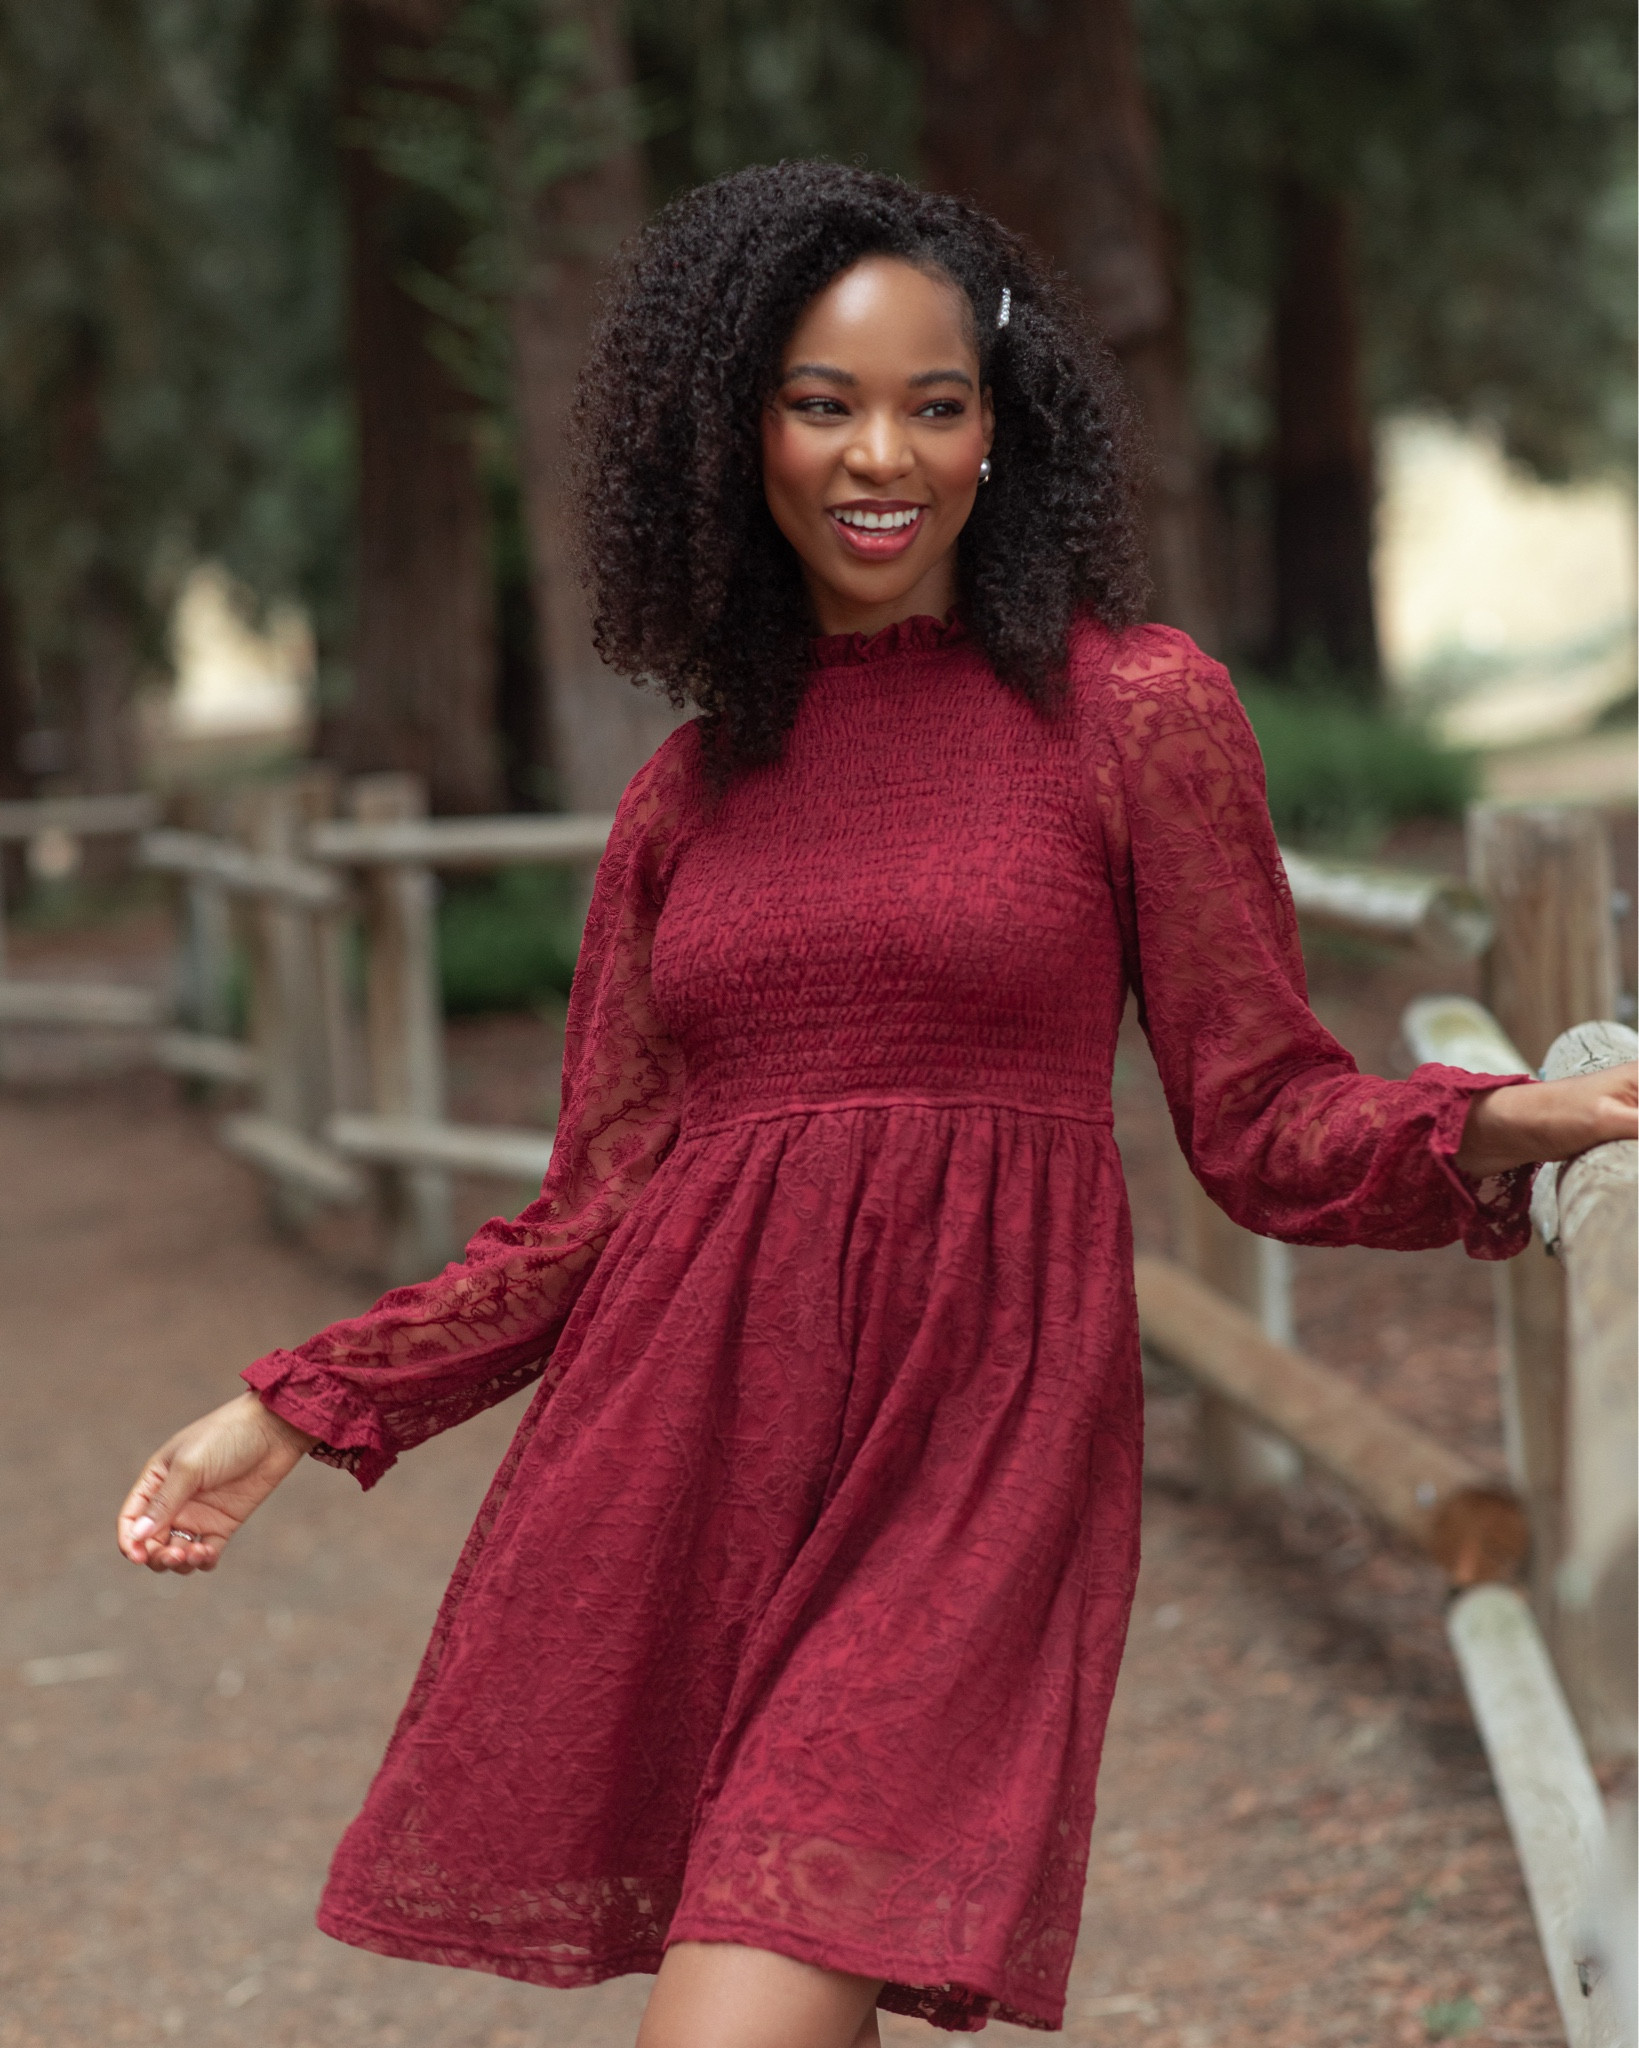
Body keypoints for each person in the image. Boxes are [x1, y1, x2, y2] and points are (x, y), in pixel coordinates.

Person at [117, 163, 1636, 2048]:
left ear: (1005, 428)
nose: (879, 457)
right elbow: (589, 1209)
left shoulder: (1134, 711)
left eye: (936, 402)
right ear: (736, 432)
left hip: (974, 1450)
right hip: (697, 1449)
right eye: (822, 405)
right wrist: (299, 1403)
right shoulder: (689, 795)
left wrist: (1502, 1126)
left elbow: (1260, 1116)